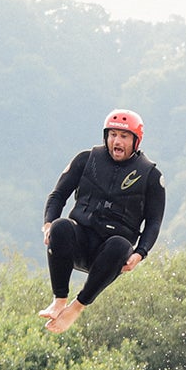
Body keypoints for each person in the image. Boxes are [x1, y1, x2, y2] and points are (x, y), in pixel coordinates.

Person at [39, 109, 166, 333]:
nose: (117, 141)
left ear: (136, 141)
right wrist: (48, 224)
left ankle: (75, 308)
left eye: (124, 136)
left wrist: (140, 253)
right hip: (79, 243)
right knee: (60, 227)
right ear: (106, 136)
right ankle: (59, 299)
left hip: (111, 255)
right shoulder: (86, 160)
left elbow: (154, 222)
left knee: (120, 245)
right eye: (113, 134)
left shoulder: (151, 176)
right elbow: (57, 195)